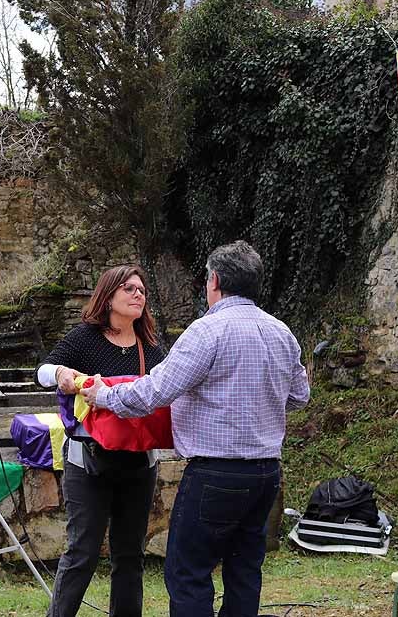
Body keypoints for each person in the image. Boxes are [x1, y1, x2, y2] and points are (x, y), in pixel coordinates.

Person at [83, 241, 311, 617]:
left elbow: (155, 391)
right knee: (244, 570)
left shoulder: (207, 331)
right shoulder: (281, 333)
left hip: (215, 473)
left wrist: (104, 396)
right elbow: (300, 396)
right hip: (266, 471)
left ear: (216, 281)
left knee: (188, 572)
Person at [35, 265, 166, 617]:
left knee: (130, 555)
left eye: (142, 290)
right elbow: (43, 371)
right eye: (130, 288)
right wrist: (61, 373)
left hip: (139, 463)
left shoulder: (151, 347)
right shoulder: (84, 338)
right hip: (88, 461)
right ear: (109, 296)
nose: (139, 294)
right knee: (83, 552)